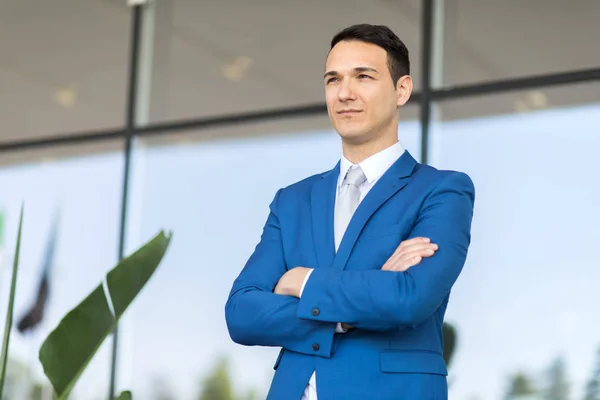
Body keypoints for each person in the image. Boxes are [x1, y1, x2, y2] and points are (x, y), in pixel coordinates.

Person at [225, 23, 475, 400]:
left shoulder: (442, 191)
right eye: (333, 79)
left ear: (401, 89)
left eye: (363, 76)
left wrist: (302, 282)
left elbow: (408, 298)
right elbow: (242, 312)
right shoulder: (292, 201)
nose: (345, 93)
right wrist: (349, 309)